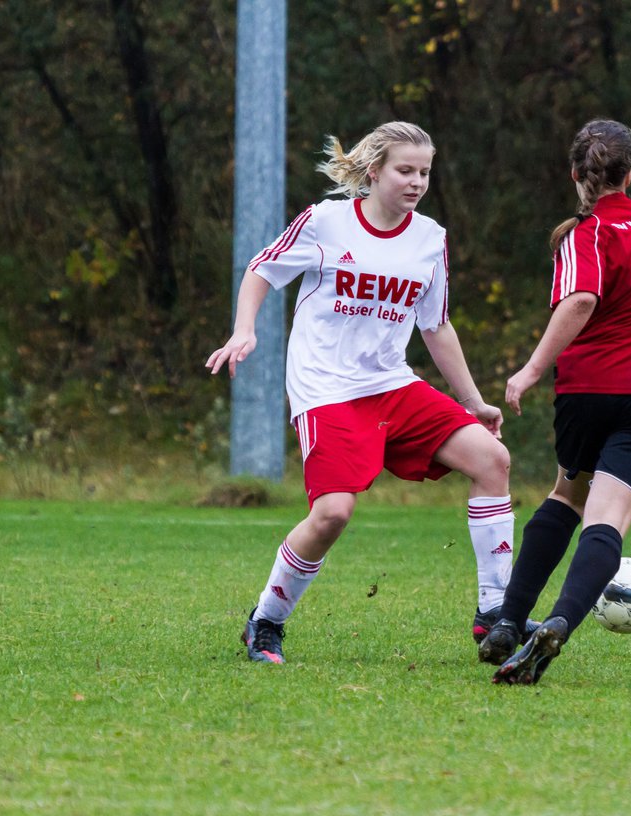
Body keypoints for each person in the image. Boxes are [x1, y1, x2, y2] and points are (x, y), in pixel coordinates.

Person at [207, 121, 526, 664]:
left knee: (492, 459)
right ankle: (265, 622)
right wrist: (245, 328)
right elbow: (262, 269)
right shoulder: (326, 222)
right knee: (332, 514)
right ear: (374, 170)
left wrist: (474, 401)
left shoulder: (430, 239)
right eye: (405, 170)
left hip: (391, 384)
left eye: (424, 171)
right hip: (326, 390)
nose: (417, 181)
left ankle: (494, 614)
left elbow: (437, 326)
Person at [478, 118, 631, 685]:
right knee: (606, 519)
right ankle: (554, 624)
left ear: (576, 174)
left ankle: (508, 623)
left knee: (567, 493)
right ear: (630, 173)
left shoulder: (589, 231)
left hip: (591, 391)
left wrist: (530, 370)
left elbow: (580, 299)